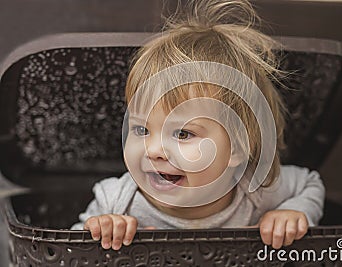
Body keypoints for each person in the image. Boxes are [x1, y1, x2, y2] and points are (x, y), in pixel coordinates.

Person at [72, 0, 325, 252]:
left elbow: (310, 183)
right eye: (141, 130)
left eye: (183, 133)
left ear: (237, 147)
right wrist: (100, 237)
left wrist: (293, 213)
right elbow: (66, 253)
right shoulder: (117, 201)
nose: (153, 150)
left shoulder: (257, 190)